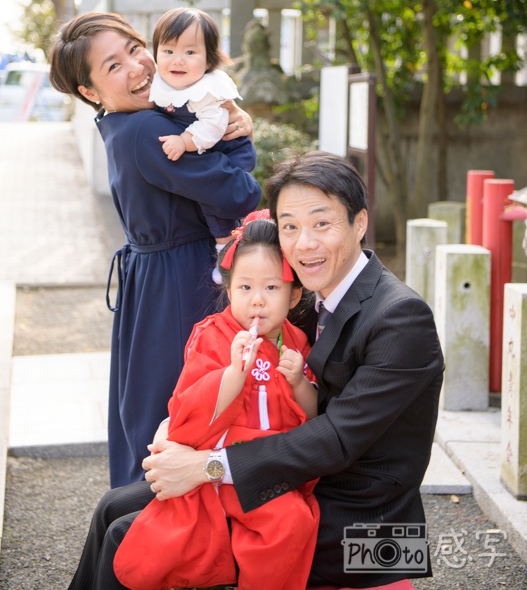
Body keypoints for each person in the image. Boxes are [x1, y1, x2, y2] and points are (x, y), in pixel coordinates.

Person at [64, 151, 444, 590]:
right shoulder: (305, 296)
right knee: (112, 506)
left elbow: (336, 439)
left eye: (322, 223)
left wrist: (207, 466)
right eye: (290, 227)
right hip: (294, 480)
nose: (304, 243)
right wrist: (178, 430)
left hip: (363, 523)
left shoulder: (401, 317)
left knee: (126, 536)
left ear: (359, 223)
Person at [48, 12, 261, 489]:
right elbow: (240, 192)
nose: (138, 66)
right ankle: (167, 523)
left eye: (134, 48)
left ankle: (138, 516)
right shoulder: (147, 128)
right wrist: (239, 134)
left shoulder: (125, 121)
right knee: (187, 405)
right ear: (89, 91)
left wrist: (229, 119)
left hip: (153, 278)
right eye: (113, 66)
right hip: (182, 279)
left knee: (151, 404)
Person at [111, 211, 319, 590]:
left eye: (272, 288)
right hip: (221, 464)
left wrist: (299, 382)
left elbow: (311, 414)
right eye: (245, 287)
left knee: (292, 521)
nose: (257, 300)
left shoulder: (297, 342)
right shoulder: (212, 335)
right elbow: (188, 405)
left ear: (294, 295)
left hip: (270, 466)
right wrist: (233, 374)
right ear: (228, 289)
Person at [149, 6, 251, 279]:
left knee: (214, 202)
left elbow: (213, 126)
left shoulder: (208, 90)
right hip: (203, 151)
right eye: (168, 51)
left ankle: (226, 251)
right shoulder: (160, 82)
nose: (177, 60)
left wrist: (184, 141)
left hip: (225, 150)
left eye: (190, 52)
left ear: (208, 61)